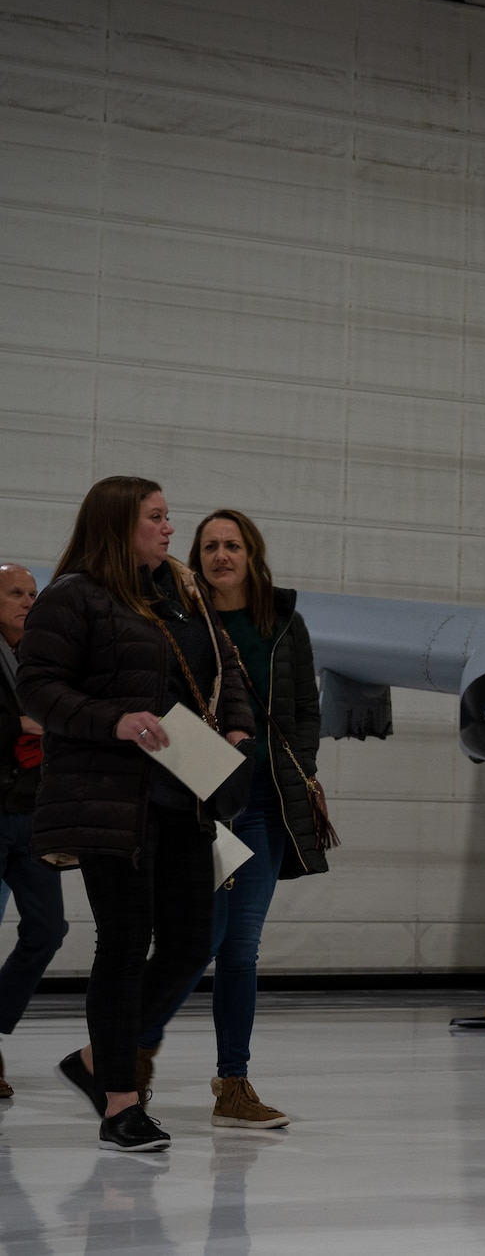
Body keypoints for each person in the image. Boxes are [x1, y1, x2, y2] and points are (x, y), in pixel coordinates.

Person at [16, 478, 255, 1151]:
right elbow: (37, 688)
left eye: (167, 516)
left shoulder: (179, 594)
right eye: (156, 516)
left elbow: (224, 665)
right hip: (110, 797)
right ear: (119, 523)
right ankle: (120, 1100)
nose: (169, 527)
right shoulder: (74, 596)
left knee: (187, 942)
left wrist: (236, 728)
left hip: (187, 795)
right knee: (123, 943)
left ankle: (97, 1056)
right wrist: (114, 719)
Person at [136, 511, 328, 1129]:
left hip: (263, 802)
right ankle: (126, 1057)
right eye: (211, 545)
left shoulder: (283, 622)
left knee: (240, 948)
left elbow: (303, 706)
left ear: (252, 554)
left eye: (233, 545)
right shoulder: (177, 619)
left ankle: (234, 1084)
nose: (222, 555)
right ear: (196, 556)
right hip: (197, 802)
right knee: (196, 942)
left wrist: (302, 767)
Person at [0, 565, 67, 1098]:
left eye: (31, 593)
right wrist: (15, 724)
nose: (26, 601)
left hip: (34, 815)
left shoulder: (45, 661)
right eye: (14, 593)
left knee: (48, 929)